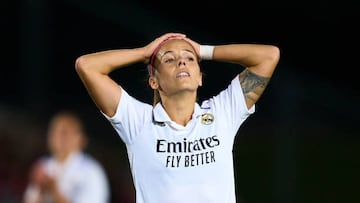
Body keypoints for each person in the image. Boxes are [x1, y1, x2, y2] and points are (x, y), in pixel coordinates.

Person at [75, 32, 280, 203]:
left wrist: (204, 50)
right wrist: (144, 53)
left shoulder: (222, 113)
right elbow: (87, 66)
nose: (182, 61)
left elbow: (269, 55)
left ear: (200, 77)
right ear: (153, 81)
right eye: (169, 59)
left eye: (190, 58)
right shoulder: (139, 122)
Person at [23, 110, 110, 203]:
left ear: (79, 138)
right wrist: (40, 189)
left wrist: (54, 191)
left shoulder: (92, 172)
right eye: (54, 131)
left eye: (64, 133)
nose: (57, 137)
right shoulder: (44, 166)